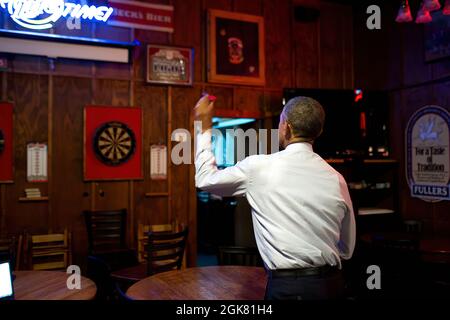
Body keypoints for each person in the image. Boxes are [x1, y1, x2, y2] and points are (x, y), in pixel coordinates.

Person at [193, 95, 356, 300]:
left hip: (289, 288)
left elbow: (205, 180)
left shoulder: (259, 168)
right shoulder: (337, 179)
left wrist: (204, 127)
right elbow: (347, 248)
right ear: (319, 131)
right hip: (333, 286)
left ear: (286, 127)